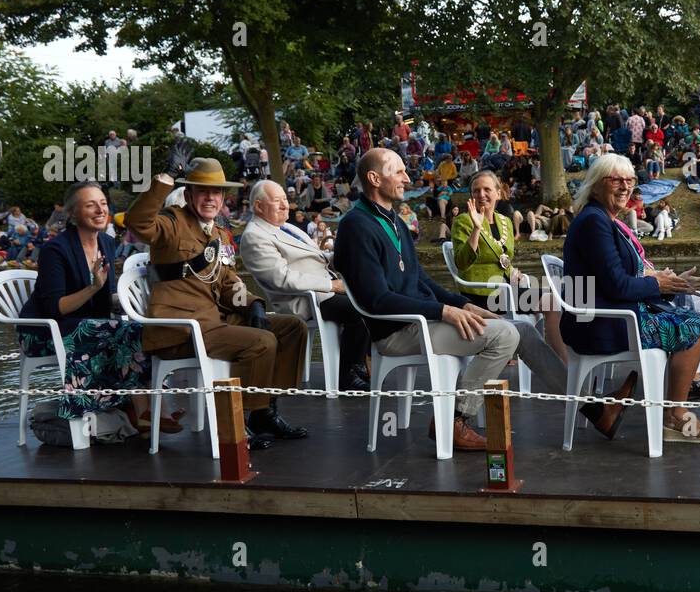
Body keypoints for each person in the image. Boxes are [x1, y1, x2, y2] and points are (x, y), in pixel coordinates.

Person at [334, 147, 520, 451]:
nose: (408, 177)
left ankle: (587, 407)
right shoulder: (356, 226)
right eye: (398, 171)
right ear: (374, 178)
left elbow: (421, 280)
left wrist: (462, 304)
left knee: (519, 330)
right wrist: (443, 311)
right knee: (503, 336)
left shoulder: (394, 220)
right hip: (397, 331)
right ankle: (455, 420)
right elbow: (377, 300)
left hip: (421, 320)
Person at [126, 156, 309, 450]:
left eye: (216, 192)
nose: (210, 198)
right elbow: (138, 223)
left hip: (215, 322)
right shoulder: (172, 222)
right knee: (262, 341)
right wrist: (166, 177)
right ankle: (240, 421)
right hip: (181, 329)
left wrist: (253, 304)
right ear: (188, 195)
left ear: (224, 197)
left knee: (292, 327)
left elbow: (228, 283)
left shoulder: (220, 233)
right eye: (202, 191)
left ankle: (265, 411)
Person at [562, 154, 700, 444]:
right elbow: (619, 286)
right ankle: (675, 416)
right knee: (696, 326)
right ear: (596, 185)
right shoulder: (595, 223)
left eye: (630, 180)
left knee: (689, 319)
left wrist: (671, 284)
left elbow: (622, 280)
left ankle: (672, 412)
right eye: (616, 180)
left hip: (605, 316)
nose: (625, 187)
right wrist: (656, 283)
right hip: (600, 325)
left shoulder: (599, 219)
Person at [15, 180, 173, 431]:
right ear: (72, 213)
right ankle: (146, 412)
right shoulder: (54, 250)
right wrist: (93, 288)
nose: (101, 210)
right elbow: (56, 308)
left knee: (142, 328)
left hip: (88, 324)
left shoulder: (107, 243)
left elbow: (105, 296)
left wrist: (131, 303)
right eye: (91, 205)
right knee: (124, 332)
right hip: (44, 330)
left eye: (103, 204)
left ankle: (150, 412)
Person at [238, 180, 371, 391]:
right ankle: (347, 374)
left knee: (374, 298)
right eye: (276, 201)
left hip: (322, 291)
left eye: (285, 200)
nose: (285, 206)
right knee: (361, 309)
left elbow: (318, 258)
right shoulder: (254, 236)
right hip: (303, 300)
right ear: (258, 206)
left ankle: (359, 364)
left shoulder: (287, 227)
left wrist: (347, 257)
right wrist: (331, 285)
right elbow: (281, 278)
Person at [451, 169, 569, 370]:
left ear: (498, 193)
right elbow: (461, 262)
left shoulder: (504, 221)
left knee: (554, 300)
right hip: (482, 294)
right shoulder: (463, 221)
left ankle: (562, 363)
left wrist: (514, 272)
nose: (481, 195)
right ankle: (566, 365)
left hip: (506, 289)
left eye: (487, 189)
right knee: (551, 302)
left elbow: (503, 257)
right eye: (476, 190)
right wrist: (477, 229)